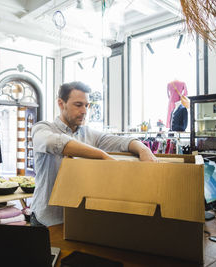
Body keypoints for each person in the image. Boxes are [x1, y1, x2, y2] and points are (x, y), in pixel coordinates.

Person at [30, 81, 158, 227]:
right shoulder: (42, 128)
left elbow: (123, 142)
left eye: (87, 105)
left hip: (78, 220)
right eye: (78, 105)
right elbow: (54, 143)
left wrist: (144, 150)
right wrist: (103, 156)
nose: (84, 110)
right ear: (61, 103)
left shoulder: (90, 134)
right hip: (47, 220)